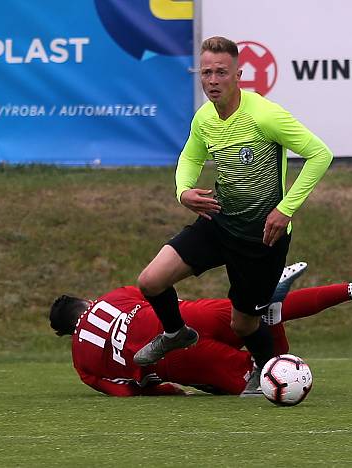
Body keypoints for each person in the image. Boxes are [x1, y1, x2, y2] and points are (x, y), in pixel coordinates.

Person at [133, 36, 334, 394]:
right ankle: (175, 332)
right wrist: (184, 191)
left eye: (220, 72)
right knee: (150, 281)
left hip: (262, 239)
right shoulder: (205, 118)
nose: (212, 80)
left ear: (238, 74)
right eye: (206, 72)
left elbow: (320, 154)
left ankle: (271, 372)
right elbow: (190, 158)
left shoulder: (265, 115)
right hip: (218, 221)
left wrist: (285, 210)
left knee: (243, 324)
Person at [50, 263, 352, 397]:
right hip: (186, 316)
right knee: (263, 311)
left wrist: (168, 389)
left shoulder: (83, 363)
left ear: (68, 332)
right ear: (86, 301)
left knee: (265, 379)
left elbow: (126, 391)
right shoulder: (113, 296)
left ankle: (269, 319)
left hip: (175, 358)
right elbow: (151, 296)